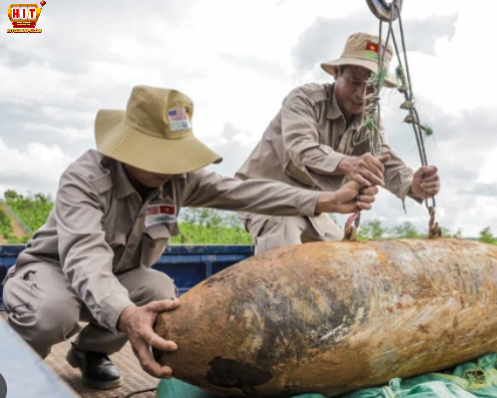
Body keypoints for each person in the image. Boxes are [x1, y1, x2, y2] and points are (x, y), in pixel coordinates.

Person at [0, 84, 378, 390]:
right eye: (161, 157)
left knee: (161, 292)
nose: (172, 168)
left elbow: (246, 192)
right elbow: (84, 258)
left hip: (118, 275)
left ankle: (90, 352)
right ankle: (10, 365)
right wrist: (127, 314)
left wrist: (327, 200)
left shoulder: (177, 180)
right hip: (57, 272)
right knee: (53, 312)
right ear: (129, 148)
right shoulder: (84, 179)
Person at [235, 32, 441, 253]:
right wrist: (349, 164)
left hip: (311, 207)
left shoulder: (368, 120)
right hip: (265, 196)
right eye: (354, 82)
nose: (362, 94)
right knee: (283, 234)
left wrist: (412, 185)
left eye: (372, 88)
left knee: (351, 258)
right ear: (336, 73)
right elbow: (302, 149)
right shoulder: (304, 100)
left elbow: (383, 159)